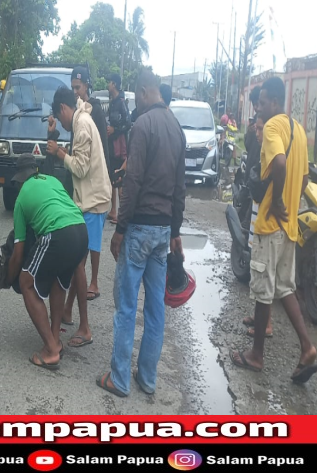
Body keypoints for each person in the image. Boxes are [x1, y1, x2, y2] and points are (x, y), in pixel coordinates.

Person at [97, 68, 186, 397]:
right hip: (163, 231)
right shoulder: (176, 128)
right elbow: (180, 187)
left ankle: (119, 379)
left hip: (139, 230)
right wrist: (175, 230)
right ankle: (147, 378)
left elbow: (132, 183)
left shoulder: (143, 126)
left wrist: (120, 229)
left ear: (146, 91)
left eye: (137, 95)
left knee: (125, 305)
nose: (136, 102)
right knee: (155, 308)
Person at [230, 77, 317, 385]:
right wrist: (290, 203)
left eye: (263, 101)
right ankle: (307, 347)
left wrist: (277, 200)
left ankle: (256, 355)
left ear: (276, 102)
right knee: (284, 287)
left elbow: (279, 163)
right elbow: (305, 178)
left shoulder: (271, 128)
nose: (258, 106)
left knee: (264, 288)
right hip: (289, 226)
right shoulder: (298, 129)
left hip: (270, 223)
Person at [5, 154, 90, 370]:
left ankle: (51, 351)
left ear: (19, 179)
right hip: (81, 231)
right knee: (58, 282)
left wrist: (9, 277)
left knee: (26, 282)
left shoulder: (21, 198)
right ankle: (55, 340)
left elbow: (19, 251)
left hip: (58, 233)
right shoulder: (52, 180)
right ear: (36, 171)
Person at [46, 86, 112, 348]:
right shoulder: (81, 121)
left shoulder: (82, 125)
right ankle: (68, 310)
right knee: (77, 261)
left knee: (77, 264)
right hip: (90, 199)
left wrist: (61, 154)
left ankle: (85, 327)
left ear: (64, 109)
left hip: (93, 202)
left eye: (59, 117)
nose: (61, 124)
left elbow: (82, 168)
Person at [66, 66, 110, 304]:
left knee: (92, 242)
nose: (76, 92)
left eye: (78, 87)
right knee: (87, 242)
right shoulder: (78, 112)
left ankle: (93, 281)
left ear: (87, 87)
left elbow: (102, 147)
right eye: (73, 87)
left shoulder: (93, 113)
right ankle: (71, 302)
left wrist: (109, 178)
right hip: (84, 183)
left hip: (94, 181)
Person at [242, 114, 274, 338]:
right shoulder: (259, 146)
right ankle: (258, 316)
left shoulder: (273, 153)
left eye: (261, 129)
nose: (257, 132)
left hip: (266, 219)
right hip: (257, 211)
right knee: (256, 268)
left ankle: (266, 325)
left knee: (264, 272)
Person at [106, 73, 131, 225]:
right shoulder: (113, 102)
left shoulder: (121, 102)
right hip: (112, 145)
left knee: (119, 177)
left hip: (119, 146)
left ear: (114, 84)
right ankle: (113, 210)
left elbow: (128, 123)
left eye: (109, 82)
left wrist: (115, 130)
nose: (108, 85)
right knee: (112, 177)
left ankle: (122, 214)